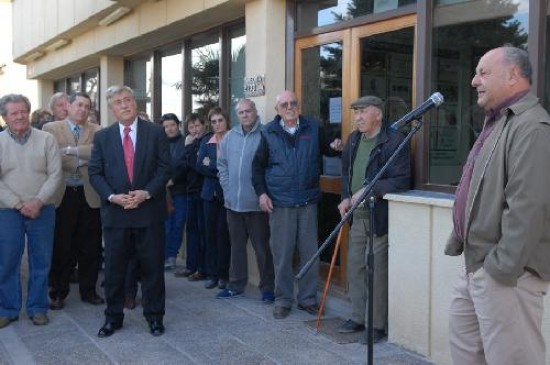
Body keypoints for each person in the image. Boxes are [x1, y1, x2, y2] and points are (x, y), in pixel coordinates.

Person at [445, 46, 550, 365]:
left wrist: (500, 268)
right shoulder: (498, 121)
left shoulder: (531, 126)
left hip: (507, 273)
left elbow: (529, 206)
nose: (474, 81)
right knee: (466, 353)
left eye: (483, 72)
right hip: (477, 264)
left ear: (514, 75)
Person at [251, 90, 342, 319]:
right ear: (277, 110)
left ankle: (307, 298)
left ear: (298, 106)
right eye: (284, 104)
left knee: (309, 253)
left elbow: (328, 149)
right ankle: (283, 299)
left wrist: (337, 146)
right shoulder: (268, 132)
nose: (289, 107)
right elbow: (256, 168)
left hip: (308, 201)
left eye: (293, 103)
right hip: (280, 203)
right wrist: (262, 194)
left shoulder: (312, 127)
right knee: (282, 255)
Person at [89, 85, 171, 337]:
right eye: (117, 102)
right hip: (116, 215)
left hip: (148, 213)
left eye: (127, 100)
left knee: (152, 270)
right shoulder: (103, 137)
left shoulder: (155, 132)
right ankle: (113, 318)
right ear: (112, 109)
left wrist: (146, 193)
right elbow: (95, 172)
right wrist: (113, 197)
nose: (124, 105)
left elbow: (165, 168)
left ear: (135, 103)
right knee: (114, 270)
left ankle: (155, 317)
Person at [336, 95, 410, 343]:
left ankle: (376, 324)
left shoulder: (394, 140)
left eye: (362, 112)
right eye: (355, 112)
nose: (357, 117)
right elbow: (346, 173)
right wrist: (346, 196)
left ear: (377, 114)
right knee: (355, 266)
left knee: (376, 271)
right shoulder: (354, 139)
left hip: (379, 215)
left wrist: (370, 189)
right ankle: (357, 317)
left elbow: (401, 180)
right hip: (356, 215)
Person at [0, 94, 62, 328]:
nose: (20, 116)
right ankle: (8, 309)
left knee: (41, 261)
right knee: (7, 261)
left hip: (42, 210)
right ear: (5, 117)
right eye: (14, 113)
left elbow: (55, 174)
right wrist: (18, 204)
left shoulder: (46, 139)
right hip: (7, 211)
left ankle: (37, 308)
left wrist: (37, 202)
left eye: (23, 111)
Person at [43, 92, 104, 310]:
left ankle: (89, 291)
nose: (83, 109)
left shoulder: (98, 130)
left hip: (89, 195)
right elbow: (52, 157)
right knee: (62, 246)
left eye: (87, 106)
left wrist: (70, 151)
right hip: (63, 195)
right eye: (79, 105)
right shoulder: (51, 129)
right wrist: (82, 158)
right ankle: (58, 292)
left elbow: (98, 153)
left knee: (90, 247)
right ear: (68, 106)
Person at [216, 99, 275, 302]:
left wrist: (264, 194)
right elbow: (221, 165)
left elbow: (271, 167)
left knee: (262, 248)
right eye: (241, 112)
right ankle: (236, 285)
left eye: (248, 111)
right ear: (237, 115)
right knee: (237, 247)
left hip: (257, 204)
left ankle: (267, 288)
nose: (245, 115)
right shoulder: (230, 137)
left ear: (255, 112)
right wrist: (227, 187)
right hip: (233, 204)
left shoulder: (266, 134)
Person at [196, 107, 231, 290]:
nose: (217, 124)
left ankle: (224, 274)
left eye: (220, 120)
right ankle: (212, 274)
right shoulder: (206, 141)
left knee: (223, 235)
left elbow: (235, 165)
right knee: (209, 235)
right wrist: (218, 171)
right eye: (214, 121)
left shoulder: (234, 139)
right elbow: (200, 165)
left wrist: (213, 168)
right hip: (209, 194)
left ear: (226, 121)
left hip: (227, 195)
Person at [174, 113, 207, 280]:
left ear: (204, 125)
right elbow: (183, 166)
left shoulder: (206, 142)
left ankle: (201, 268)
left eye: (197, 125)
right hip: (190, 191)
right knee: (191, 230)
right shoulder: (190, 143)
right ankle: (191, 266)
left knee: (202, 231)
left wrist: (188, 148)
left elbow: (197, 166)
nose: (194, 130)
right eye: (191, 127)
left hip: (203, 192)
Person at [161, 113, 187, 270]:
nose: (170, 129)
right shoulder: (160, 143)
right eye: (166, 126)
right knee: (165, 225)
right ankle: (163, 256)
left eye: (172, 125)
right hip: (163, 191)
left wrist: (174, 179)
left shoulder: (185, 142)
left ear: (178, 125)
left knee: (178, 224)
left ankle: (172, 256)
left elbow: (185, 164)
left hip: (181, 190)